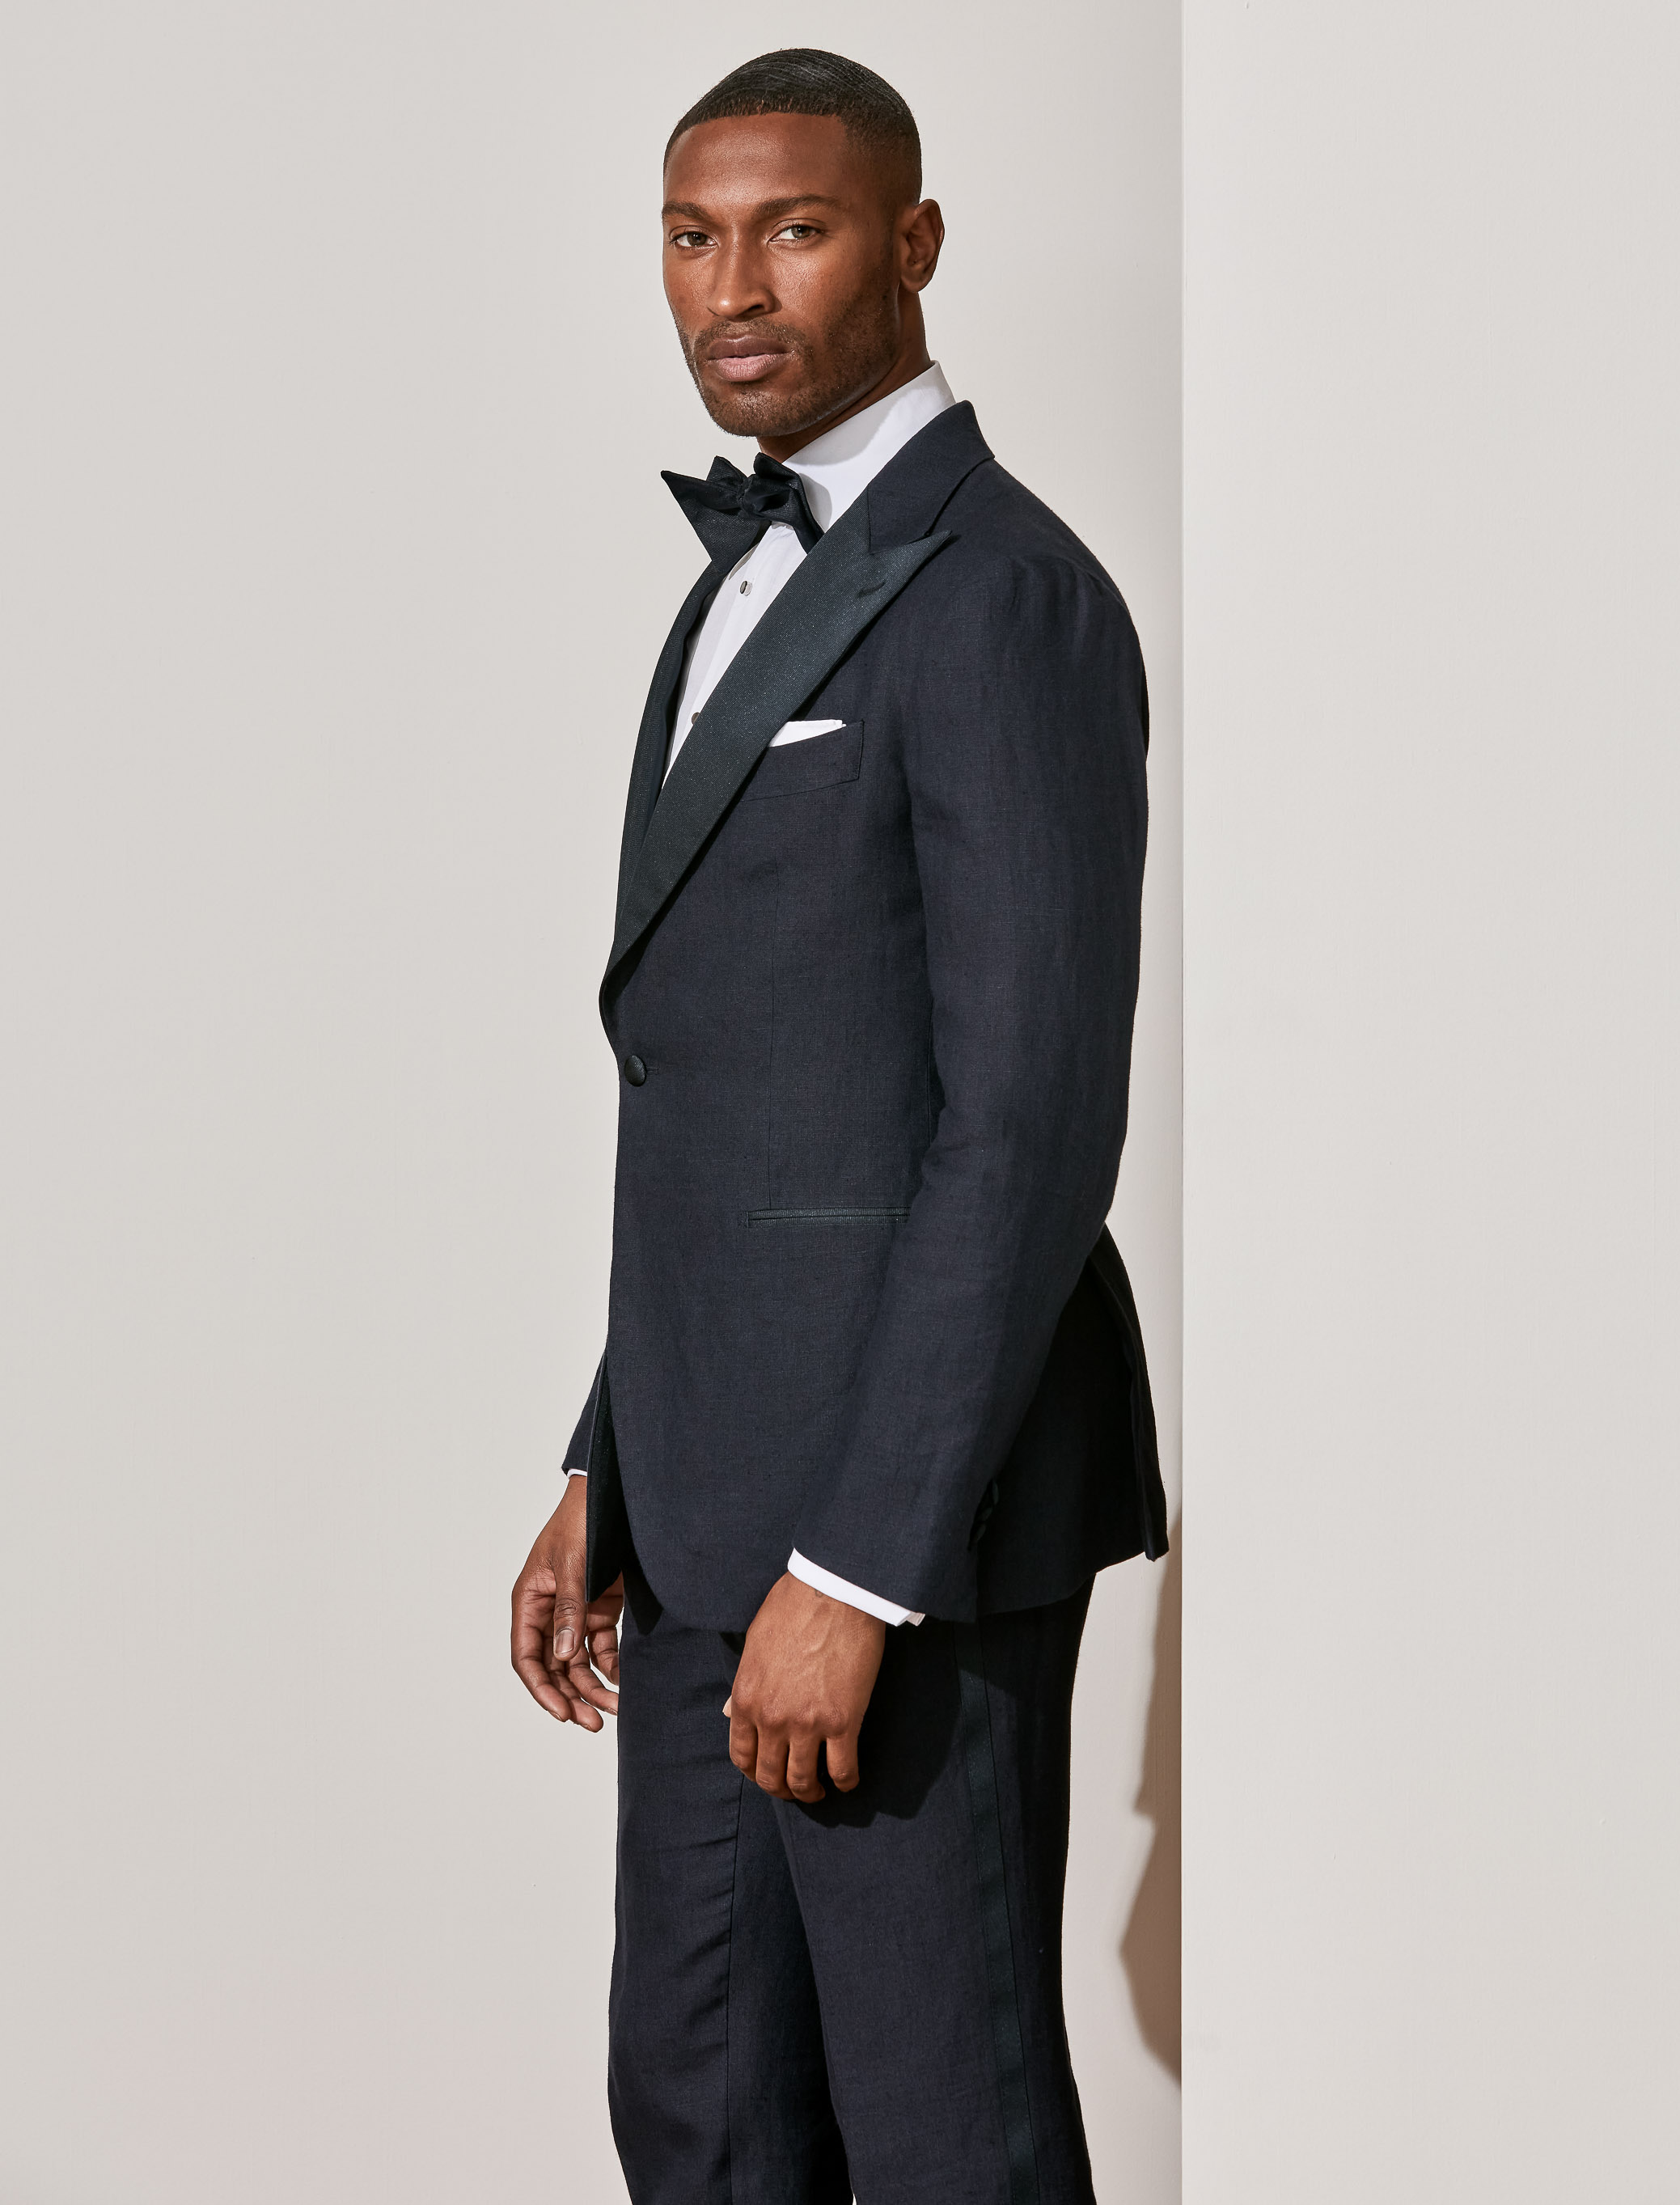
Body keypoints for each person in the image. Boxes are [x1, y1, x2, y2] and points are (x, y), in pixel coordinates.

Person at [509, 48, 1166, 2204]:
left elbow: (1025, 1124)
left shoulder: (1005, 596)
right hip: (699, 1516)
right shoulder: (730, 593)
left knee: (945, 2140)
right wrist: (609, 1460)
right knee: (700, 2127)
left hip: (906, 1544)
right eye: (692, 238)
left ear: (913, 243)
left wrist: (858, 1569)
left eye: (793, 229)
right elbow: (736, 1095)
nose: (734, 287)